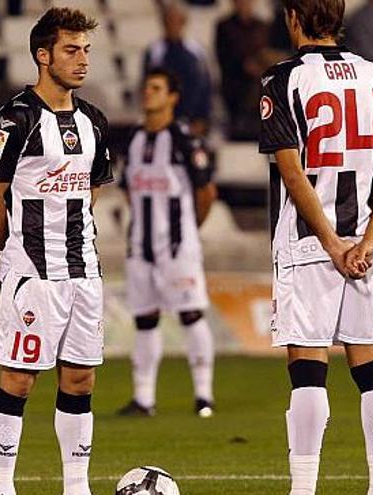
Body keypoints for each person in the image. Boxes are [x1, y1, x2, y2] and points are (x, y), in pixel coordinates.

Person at [258, 1, 373, 494]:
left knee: (307, 370)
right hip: (365, 247)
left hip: (309, 244)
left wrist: (330, 242)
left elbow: (292, 171)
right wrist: (365, 244)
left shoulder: (282, 79)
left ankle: (303, 489)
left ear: (293, 18)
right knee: (371, 364)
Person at [0, 8, 113, 495]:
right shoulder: (12, 121)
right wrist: (14, 251)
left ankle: (77, 486)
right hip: (32, 272)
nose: (81, 61)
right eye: (71, 50)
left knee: (80, 381)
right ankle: (3, 486)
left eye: (86, 51)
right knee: (19, 379)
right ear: (43, 55)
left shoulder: (94, 121)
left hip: (85, 273)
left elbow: (91, 192)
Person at [116, 69, 217, 418]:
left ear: (173, 96)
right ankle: (144, 398)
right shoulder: (133, 138)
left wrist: (188, 229)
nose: (148, 94)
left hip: (178, 247)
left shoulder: (184, 139)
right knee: (144, 319)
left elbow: (206, 192)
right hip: (139, 247)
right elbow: (129, 189)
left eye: (156, 88)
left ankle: (204, 395)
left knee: (190, 314)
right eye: (146, 87)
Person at [143, 1, 212, 136]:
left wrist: (202, 118)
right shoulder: (154, 52)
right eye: (169, 21)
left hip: (191, 120)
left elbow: (205, 87)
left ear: (184, 22)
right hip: (162, 121)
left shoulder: (196, 52)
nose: (172, 25)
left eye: (177, 21)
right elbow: (149, 86)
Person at [215, 0, 275, 141]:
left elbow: (267, 52)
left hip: (260, 80)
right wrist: (244, 66)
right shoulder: (224, 27)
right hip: (235, 82)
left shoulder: (263, 26)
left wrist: (260, 66)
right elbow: (223, 56)